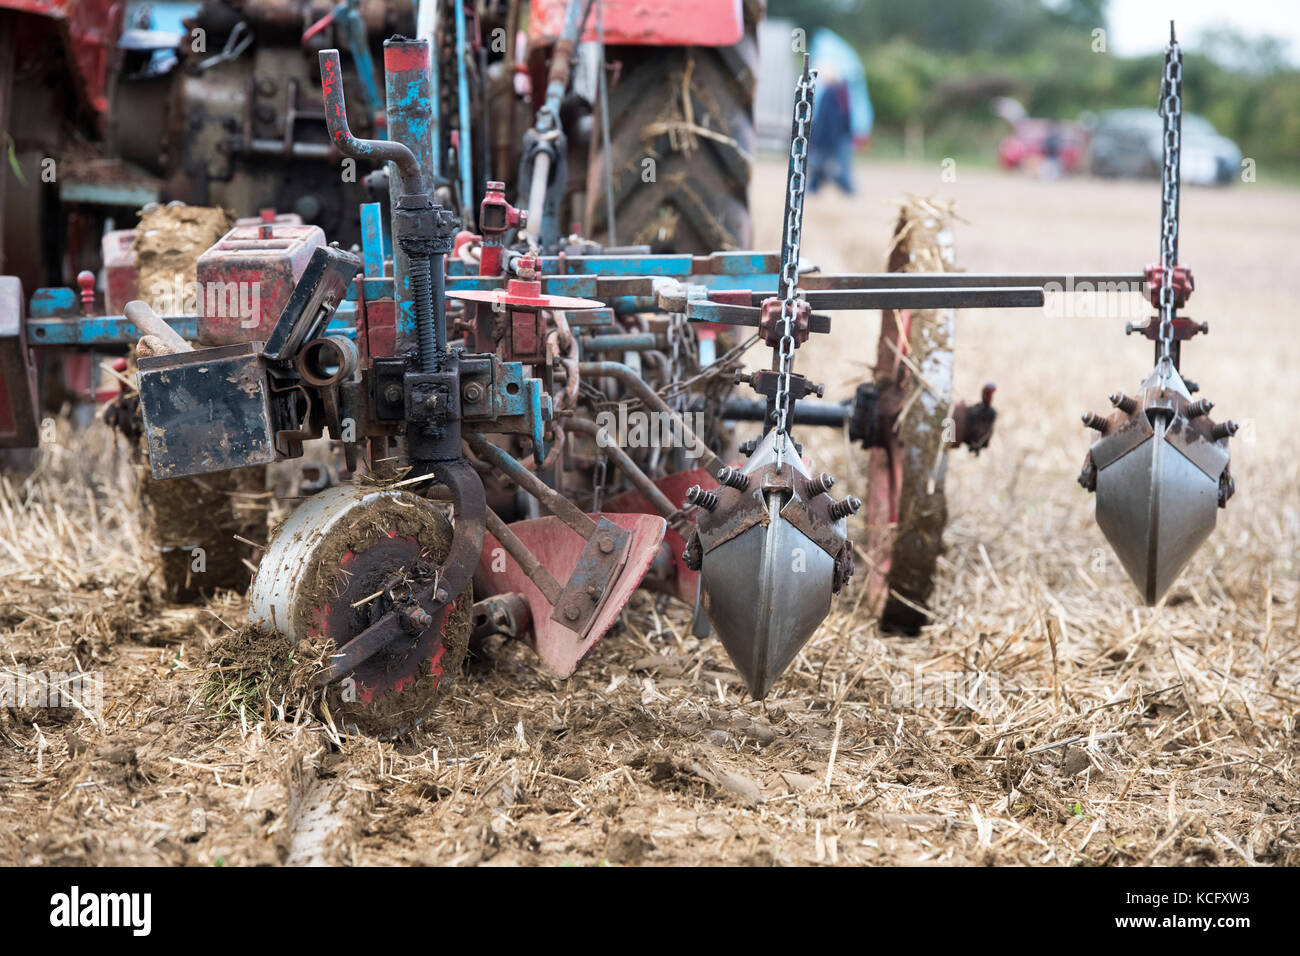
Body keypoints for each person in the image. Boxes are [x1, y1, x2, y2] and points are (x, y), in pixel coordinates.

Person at [808, 76, 855, 194]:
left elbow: (826, 119)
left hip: (829, 137)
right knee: (826, 165)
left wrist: (817, 137)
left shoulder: (830, 94)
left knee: (828, 165)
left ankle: (848, 189)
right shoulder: (843, 93)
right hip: (838, 136)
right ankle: (813, 187)